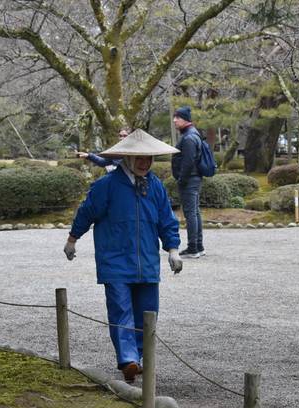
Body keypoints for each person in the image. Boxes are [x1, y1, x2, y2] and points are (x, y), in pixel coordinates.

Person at [63, 129, 183, 383]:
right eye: (138, 158)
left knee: (148, 312)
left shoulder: (156, 186)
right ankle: (128, 359)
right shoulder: (106, 185)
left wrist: (173, 249)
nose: (144, 163)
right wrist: (72, 239)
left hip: (147, 262)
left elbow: (166, 220)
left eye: (148, 158)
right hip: (115, 260)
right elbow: (87, 212)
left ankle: (140, 358)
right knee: (121, 310)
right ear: (126, 158)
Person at [171, 106, 205, 258]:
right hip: (193, 178)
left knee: (190, 213)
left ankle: (193, 248)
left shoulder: (189, 137)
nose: (174, 120)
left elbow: (188, 161)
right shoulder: (192, 134)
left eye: (177, 117)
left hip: (189, 179)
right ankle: (198, 245)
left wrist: (181, 179)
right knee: (195, 212)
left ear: (185, 119)